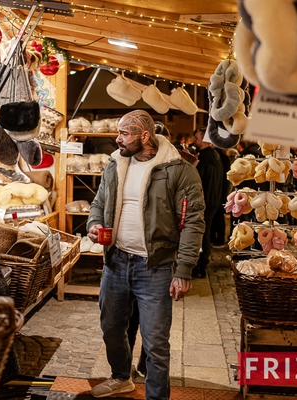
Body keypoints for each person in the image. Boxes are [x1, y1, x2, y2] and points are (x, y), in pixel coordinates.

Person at [87, 110, 205, 399]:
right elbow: (99, 202)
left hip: (155, 266)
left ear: (144, 136)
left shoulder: (178, 168)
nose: (117, 139)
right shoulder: (115, 164)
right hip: (115, 262)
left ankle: (156, 396)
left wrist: (184, 270)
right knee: (112, 328)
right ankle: (120, 377)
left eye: (124, 133)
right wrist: (94, 224)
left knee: (155, 343)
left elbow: (193, 221)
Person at [190, 127, 223, 278]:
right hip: (212, 200)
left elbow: (198, 180)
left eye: (196, 138)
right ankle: (201, 264)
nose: (194, 141)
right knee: (205, 233)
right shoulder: (214, 155)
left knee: (201, 234)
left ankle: (199, 267)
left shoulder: (205, 158)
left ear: (204, 140)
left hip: (205, 201)